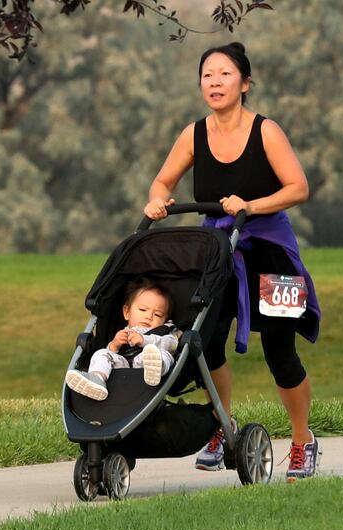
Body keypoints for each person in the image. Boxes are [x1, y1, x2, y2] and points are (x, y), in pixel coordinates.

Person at [144, 42, 322, 481]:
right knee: (204, 341)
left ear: (244, 83)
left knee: (281, 351)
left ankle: (303, 440)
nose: (215, 82)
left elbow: (298, 187)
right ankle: (224, 427)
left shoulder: (266, 131)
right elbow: (163, 180)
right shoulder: (194, 134)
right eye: (207, 75)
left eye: (224, 74)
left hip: (271, 249)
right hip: (218, 251)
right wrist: (157, 200)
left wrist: (252, 205)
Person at [66, 278, 181, 401]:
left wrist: (144, 340)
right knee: (102, 353)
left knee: (162, 354)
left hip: (147, 367)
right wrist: (114, 345)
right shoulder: (124, 332)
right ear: (127, 312)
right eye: (142, 310)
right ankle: (97, 379)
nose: (149, 316)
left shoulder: (166, 331)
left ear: (166, 320)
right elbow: (112, 355)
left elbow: (172, 344)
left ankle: (156, 370)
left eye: (157, 314)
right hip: (124, 366)